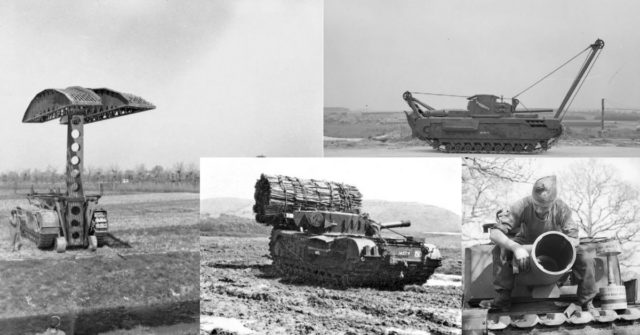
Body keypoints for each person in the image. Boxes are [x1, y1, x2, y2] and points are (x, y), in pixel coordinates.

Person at [480, 175, 597, 312]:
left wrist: (562, 245)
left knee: (585, 257)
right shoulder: (522, 205)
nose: (540, 210)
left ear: (553, 202)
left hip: (553, 245)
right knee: (500, 249)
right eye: (536, 206)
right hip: (525, 243)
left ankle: (586, 302)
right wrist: (516, 248)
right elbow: (494, 233)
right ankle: (503, 299)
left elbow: (573, 239)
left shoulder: (561, 208)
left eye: (545, 207)